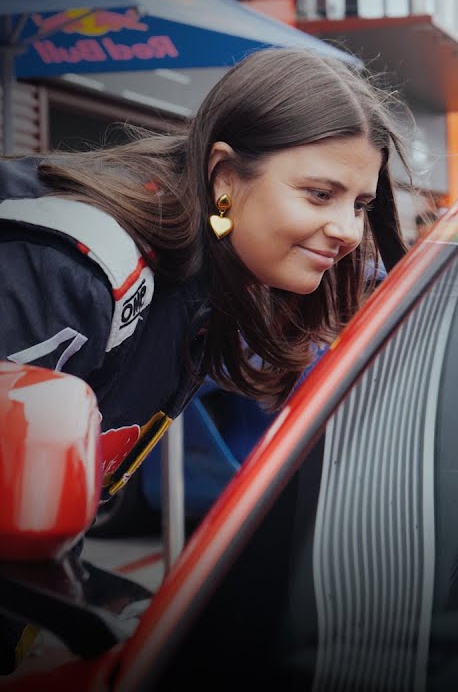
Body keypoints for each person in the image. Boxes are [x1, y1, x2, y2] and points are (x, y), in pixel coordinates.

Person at [0, 47, 411, 674]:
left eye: (358, 204)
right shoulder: (83, 266)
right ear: (224, 177)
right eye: (320, 193)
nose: (349, 231)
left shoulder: (208, 277)